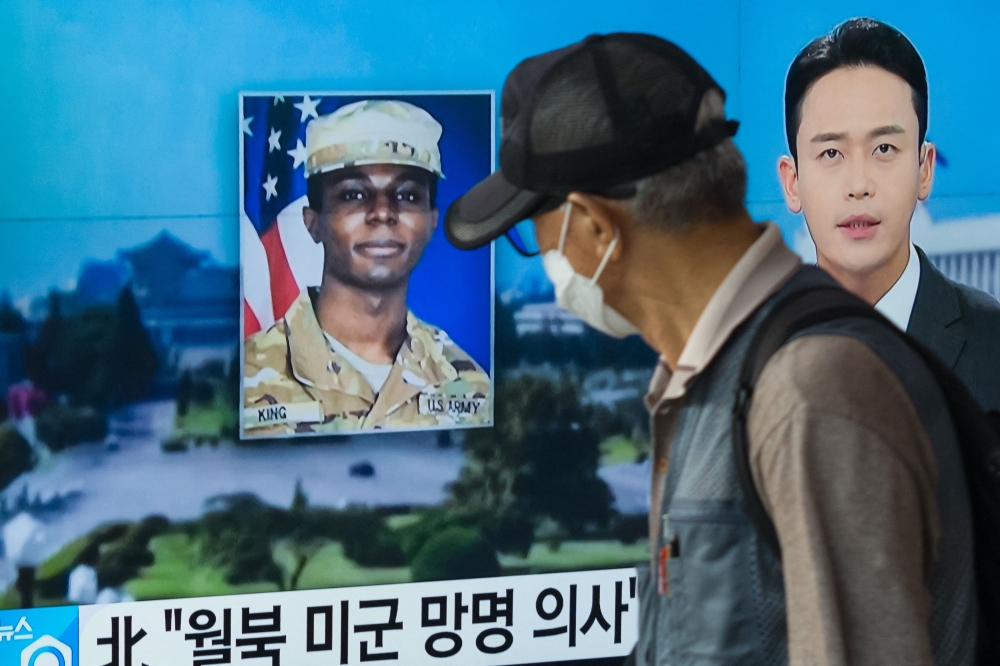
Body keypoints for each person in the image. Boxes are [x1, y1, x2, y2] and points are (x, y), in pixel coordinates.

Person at [446, 33, 977, 665]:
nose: (548, 265)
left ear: (595, 227)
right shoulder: (709, 374)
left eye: (534, 238)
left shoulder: (809, 389)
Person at [778, 17, 1000, 411]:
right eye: (831, 153)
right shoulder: (749, 358)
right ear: (792, 182)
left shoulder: (993, 345)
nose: (859, 184)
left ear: (924, 169)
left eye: (884, 149)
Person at [244, 100, 490, 436]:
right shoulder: (247, 376)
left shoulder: (470, 384)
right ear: (312, 222)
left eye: (407, 196)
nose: (383, 213)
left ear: (432, 222)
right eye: (354, 195)